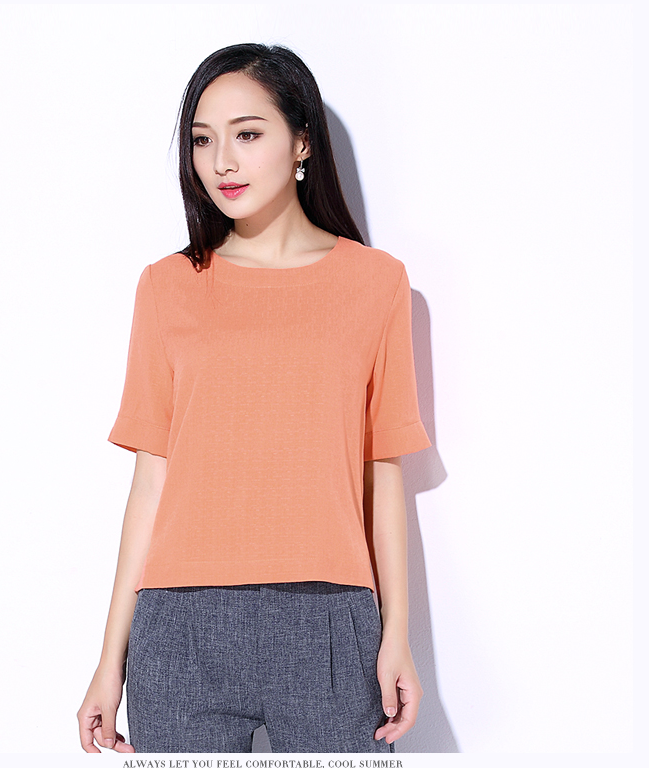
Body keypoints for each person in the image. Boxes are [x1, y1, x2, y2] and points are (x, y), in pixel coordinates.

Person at [77, 42, 431, 754]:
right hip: (179, 631)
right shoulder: (167, 286)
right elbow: (150, 482)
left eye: (247, 134)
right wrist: (108, 662)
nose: (222, 162)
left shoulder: (376, 283)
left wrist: (397, 634)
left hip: (330, 622)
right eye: (202, 140)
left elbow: (383, 472)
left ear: (302, 141)